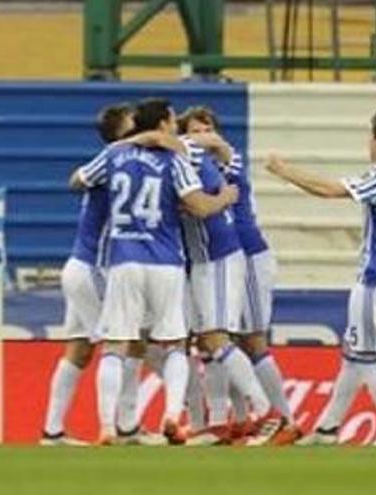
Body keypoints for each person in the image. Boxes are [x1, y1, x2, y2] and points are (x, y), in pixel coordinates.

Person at [73, 98, 238, 445]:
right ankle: (172, 417)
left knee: (115, 345)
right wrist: (226, 197)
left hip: (124, 261)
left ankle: (106, 426)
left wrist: (121, 147)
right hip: (165, 262)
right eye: (172, 122)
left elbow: (77, 181)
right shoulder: (173, 160)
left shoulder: (115, 155)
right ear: (163, 124)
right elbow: (199, 206)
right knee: (175, 344)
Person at [267, 108, 376, 446]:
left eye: (370, 135)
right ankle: (327, 429)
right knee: (355, 353)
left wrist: (284, 171)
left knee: (367, 358)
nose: (368, 143)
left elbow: (328, 190)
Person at [179, 107, 294, 440]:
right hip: (226, 259)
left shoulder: (228, 162)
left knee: (252, 341)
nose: (202, 136)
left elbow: (225, 160)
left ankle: (283, 419)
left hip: (250, 257)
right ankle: (236, 418)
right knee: (217, 340)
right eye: (194, 131)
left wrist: (193, 141)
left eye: (207, 129)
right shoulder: (197, 168)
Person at [40, 103, 134, 446]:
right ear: (122, 130)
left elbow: (78, 180)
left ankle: (52, 431)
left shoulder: (117, 160)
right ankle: (119, 427)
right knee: (120, 342)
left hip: (80, 266)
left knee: (79, 349)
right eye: (132, 121)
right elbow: (75, 181)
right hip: (94, 266)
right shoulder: (116, 158)